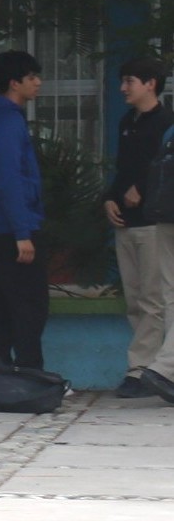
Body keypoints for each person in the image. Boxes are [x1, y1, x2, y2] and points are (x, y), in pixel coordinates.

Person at [0, 49, 49, 373]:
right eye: (31, 77)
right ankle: (30, 374)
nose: (38, 83)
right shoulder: (7, 122)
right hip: (9, 227)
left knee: (2, 301)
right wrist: (22, 232)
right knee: (30, 303)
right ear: (14, 83)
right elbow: (10, 179)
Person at [105, 57, 174, 398]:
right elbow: (124, 168)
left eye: (129, 81)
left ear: (150, 84)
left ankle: (143, 370)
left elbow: (163, 171)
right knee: (133, 298)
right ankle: (145, 367)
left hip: (153, 222)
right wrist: (109, 197)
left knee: (153, 298)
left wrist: (142, 190)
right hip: (126, 221)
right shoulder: (127, 121)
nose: (123, 88)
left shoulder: (167, 122)